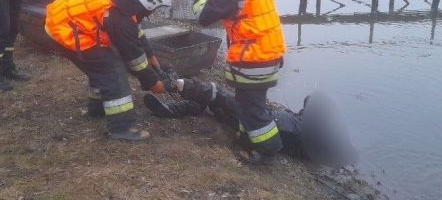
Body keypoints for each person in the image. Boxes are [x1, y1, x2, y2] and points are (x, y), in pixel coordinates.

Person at [44, 0, 177, 141]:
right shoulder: (119, 18)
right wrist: (153, 83)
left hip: (63, 17)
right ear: (151, 1)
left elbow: (136, 33)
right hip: (64, 29)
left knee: (102, 67)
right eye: (157, 7)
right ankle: (121, 128)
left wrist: (152, 58)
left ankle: (97, 109)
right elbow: (135, 60)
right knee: (112, 71)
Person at [192, 0, 286, 164]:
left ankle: (268, 149)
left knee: (252, 109)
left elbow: (203, 17)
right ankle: (247, 138)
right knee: (249, 103)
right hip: (270, 54)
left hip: (252, 59)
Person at [144, 78, 358, 167]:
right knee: (218, 107)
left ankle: (178, 86)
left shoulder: (303, 135)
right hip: (262, 120)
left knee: (218, 97)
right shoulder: (308, 135)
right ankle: (175, 107)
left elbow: (311, 105)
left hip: (261, 119)